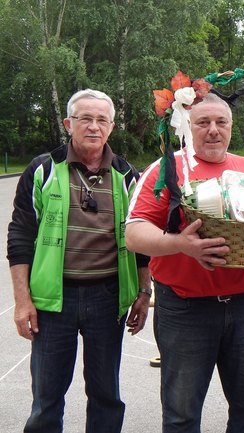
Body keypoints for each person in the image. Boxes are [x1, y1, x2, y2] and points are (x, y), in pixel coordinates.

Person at [125, 93, 244, 433]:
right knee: (182, 414)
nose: (213, 130)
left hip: (241, 305)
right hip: (184, 308)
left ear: (231, 126)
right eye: (203, 122)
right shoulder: (167, 168)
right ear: (188, 125)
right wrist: (182, 245)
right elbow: (135, 233)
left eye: (221, 122)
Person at [7, 89, 151, 433]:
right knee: (47, 399)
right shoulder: (43, 170)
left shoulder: (127, 175)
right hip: (53, 301)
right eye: (85, 118)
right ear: (68, 123)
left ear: (112, 127)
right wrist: (22, 301)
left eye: (101, 119)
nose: (93, 126)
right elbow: (20, 237)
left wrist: (144, 292)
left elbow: (141, 238)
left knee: (106, 395)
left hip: (108, 298)